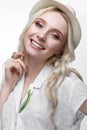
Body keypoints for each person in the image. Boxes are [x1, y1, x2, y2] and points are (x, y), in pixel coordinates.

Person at [0, 0, 87, 130]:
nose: (41, 35)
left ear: (61, 49)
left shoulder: (68, 84)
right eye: (39, 24)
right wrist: (7, 85)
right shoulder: (13, 73)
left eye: (55, 36)